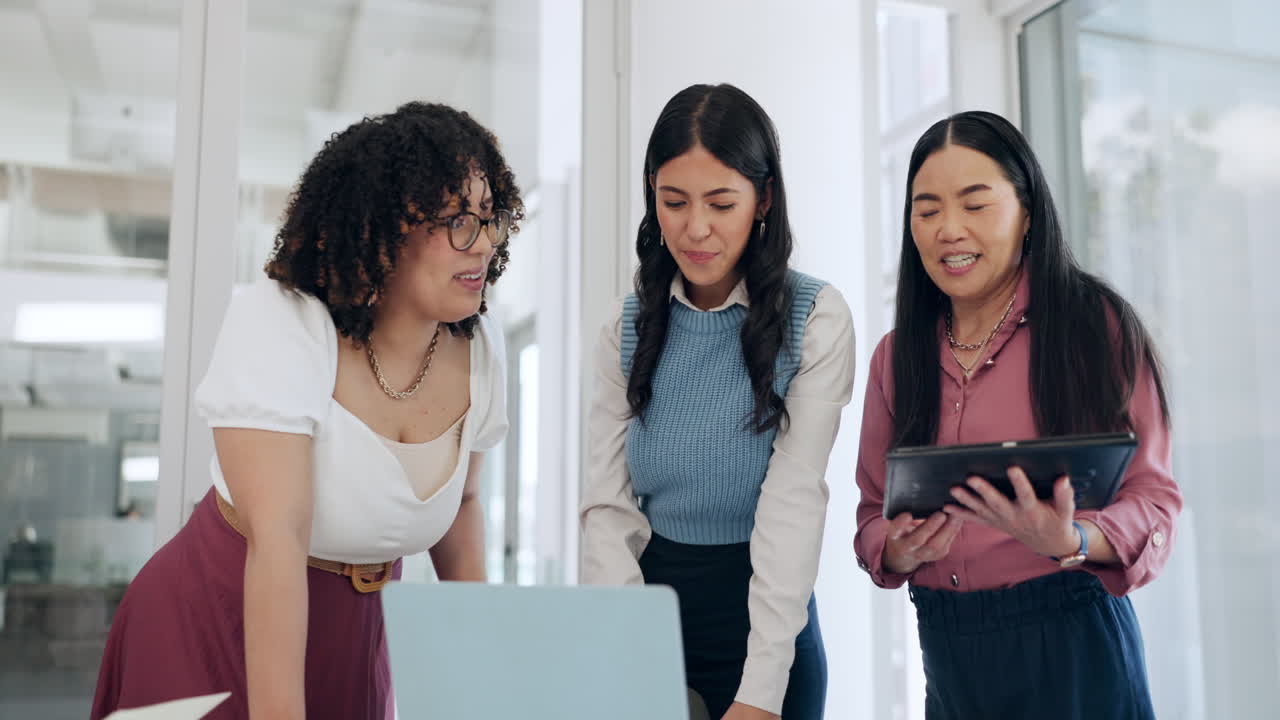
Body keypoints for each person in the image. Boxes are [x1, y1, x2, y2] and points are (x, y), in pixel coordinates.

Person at [92, 101, 521, 720]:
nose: (482, 243)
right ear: (381, 227)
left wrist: (478, 675)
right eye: (457, 220)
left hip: (354, 631)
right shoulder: (285, 322)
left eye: (491, 218)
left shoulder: (482, 348)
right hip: (220, 617)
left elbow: (465, 508)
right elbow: (279, 541)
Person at [853, 110, 1182, 719]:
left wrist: (1073, 537)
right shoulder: (896, 358)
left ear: (1027, 212)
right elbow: (872, 515)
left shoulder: (1094, 328)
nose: (949, 229)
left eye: (975, 205)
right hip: (949, 651)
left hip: (1072, 638)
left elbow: (1155, 504)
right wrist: (898, 549)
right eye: (926, 211)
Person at [580, 83, 855, 720]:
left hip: (766, 626)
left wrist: (759, 695)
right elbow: (607, 510)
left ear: (763, 200)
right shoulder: (626, 329)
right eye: (673, 202)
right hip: (653, 621)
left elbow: (793, 503)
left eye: (721, 203)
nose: (695, 228)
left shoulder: (814, 318)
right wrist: (623, 654)